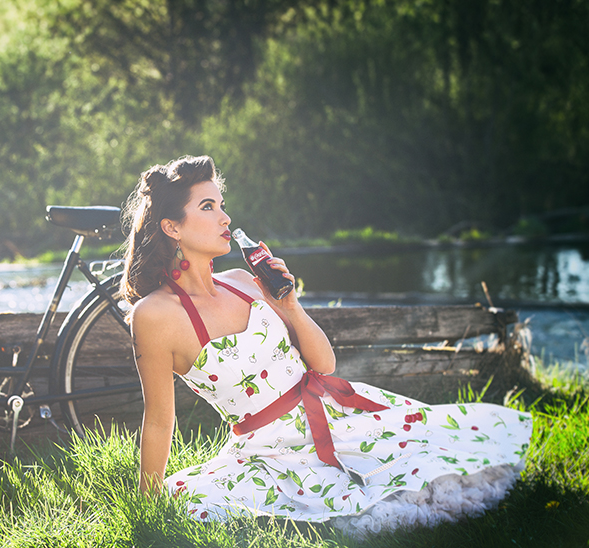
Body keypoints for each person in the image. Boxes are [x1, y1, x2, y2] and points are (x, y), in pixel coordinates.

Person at [120, 155, 533, 537]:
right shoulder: (155, 316)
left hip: (335, 411)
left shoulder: (244, 282)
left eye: (222, 203)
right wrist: (147, 508)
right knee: (197, 502)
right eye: (207, 207)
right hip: (271, 446)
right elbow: (159, 419)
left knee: (437, 454)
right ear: (172, 228)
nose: (225, 217)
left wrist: (292, 308)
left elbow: (324, 365)